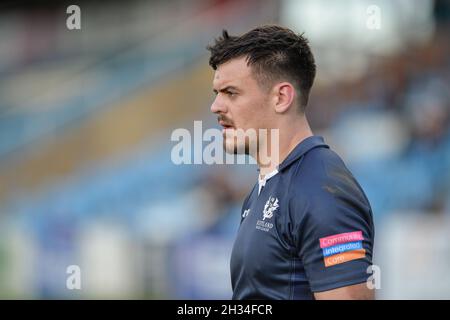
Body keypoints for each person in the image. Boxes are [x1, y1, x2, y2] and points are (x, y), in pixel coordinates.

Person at [207, 25, 375, 300]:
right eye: (217, 93)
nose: (216, 106)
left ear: (282, 97)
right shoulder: (268, 185)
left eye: (231, 93)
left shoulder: (322, 191)